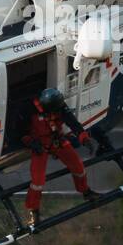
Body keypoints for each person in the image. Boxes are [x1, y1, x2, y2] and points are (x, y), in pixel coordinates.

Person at [21, 88, 98, 229]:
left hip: (57, 140)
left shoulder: (59, 105)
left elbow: (73, 123)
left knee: (78, 167)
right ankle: (34, 211)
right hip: (40, 145)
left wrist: (84, 139)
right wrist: (31, 143)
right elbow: (20, 131)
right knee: (37, 180)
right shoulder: (30, 109)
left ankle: (86, 191)